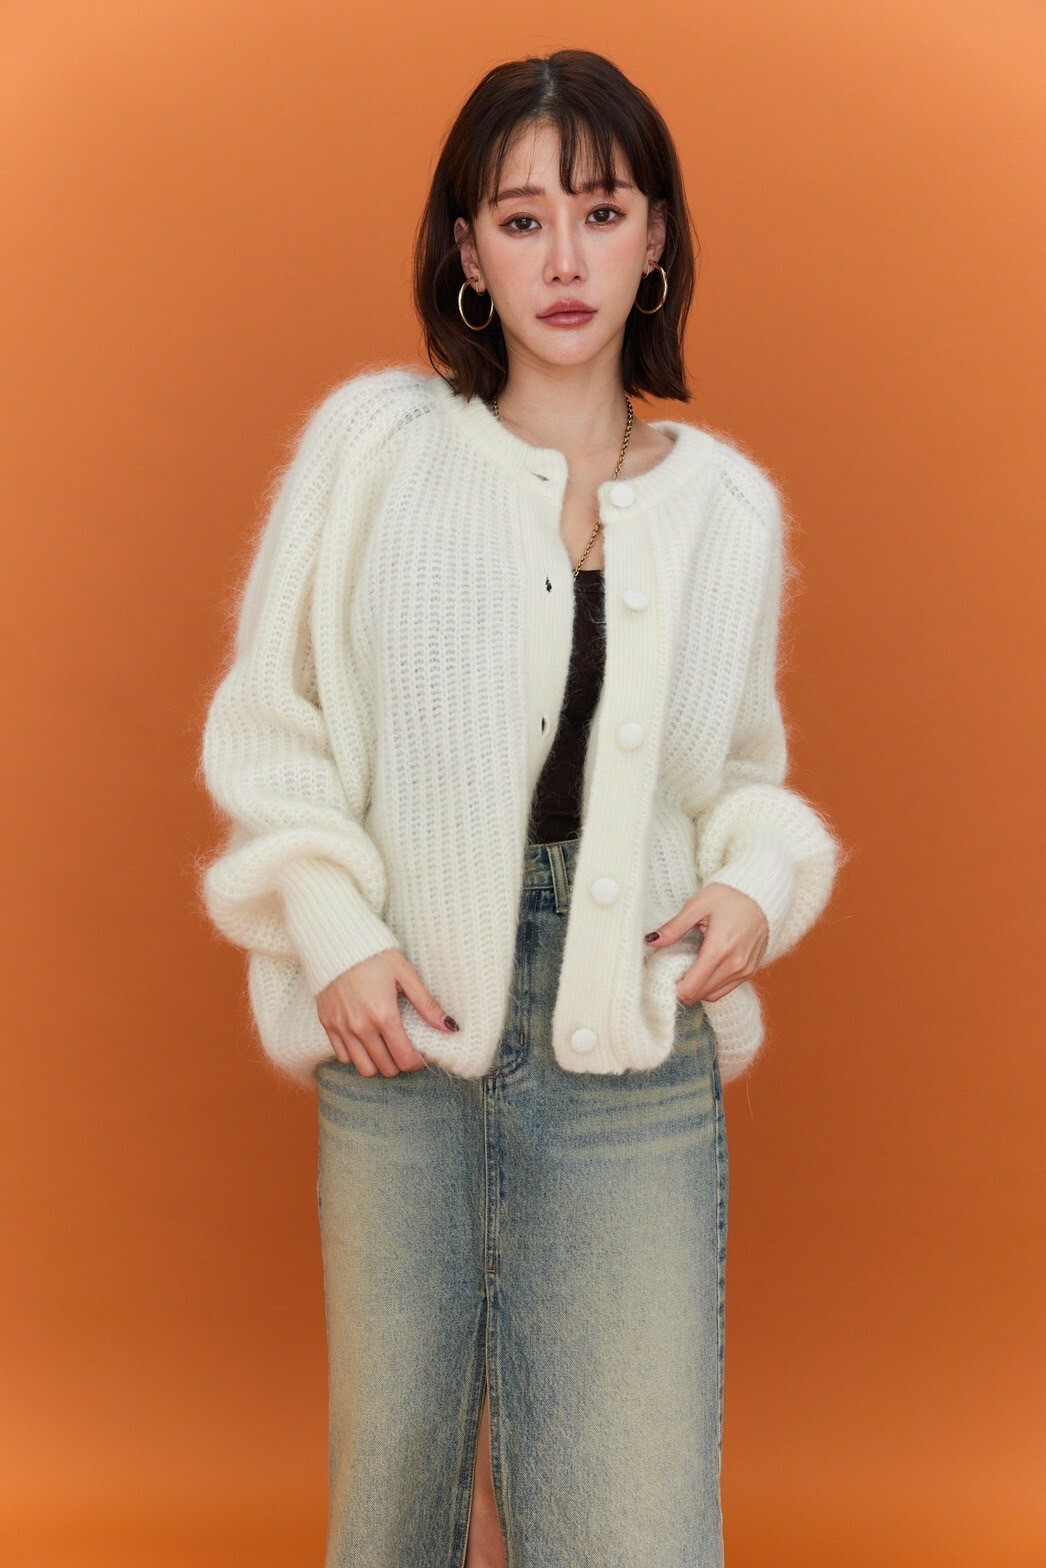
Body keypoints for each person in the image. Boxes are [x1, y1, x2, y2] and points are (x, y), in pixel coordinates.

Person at [197, 48, 842, 1568]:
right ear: (467, 250)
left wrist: (758, 884)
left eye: (601, 213)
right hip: (404, 1020)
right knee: (399, 1494)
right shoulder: (375, 448)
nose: (564, 258)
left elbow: (743, 781)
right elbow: (273, 723)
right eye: (521, 217)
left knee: (631, 1514)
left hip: (634, 1033)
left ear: (656, 237)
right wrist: (336, 929)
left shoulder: (725, 508)